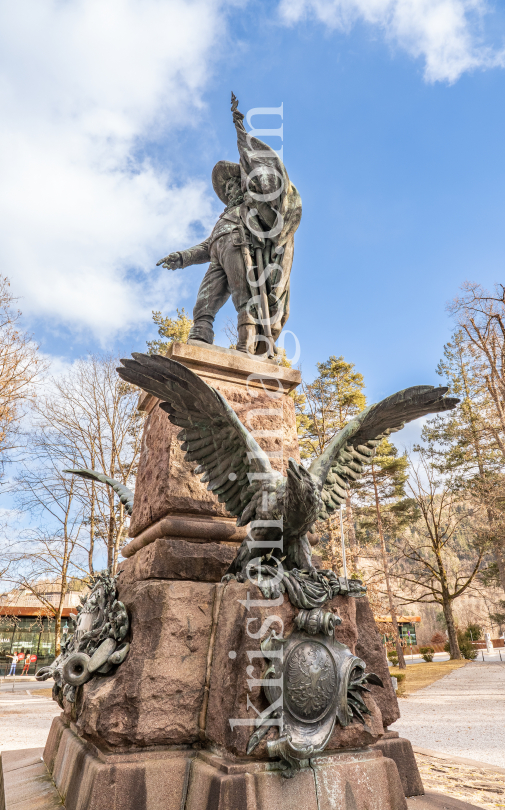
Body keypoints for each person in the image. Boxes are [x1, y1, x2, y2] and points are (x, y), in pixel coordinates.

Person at [157, 95, 301, 356]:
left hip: (240, 247)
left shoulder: (252, 208)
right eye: (227, 187)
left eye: (234, 183)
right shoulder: (224, 218)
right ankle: (200, 336)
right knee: (205, 301)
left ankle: (245, 346)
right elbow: (207, 245)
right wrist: (182, 257)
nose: (230, 187)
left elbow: (270, 206)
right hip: (218, 254)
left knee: (243, 295)